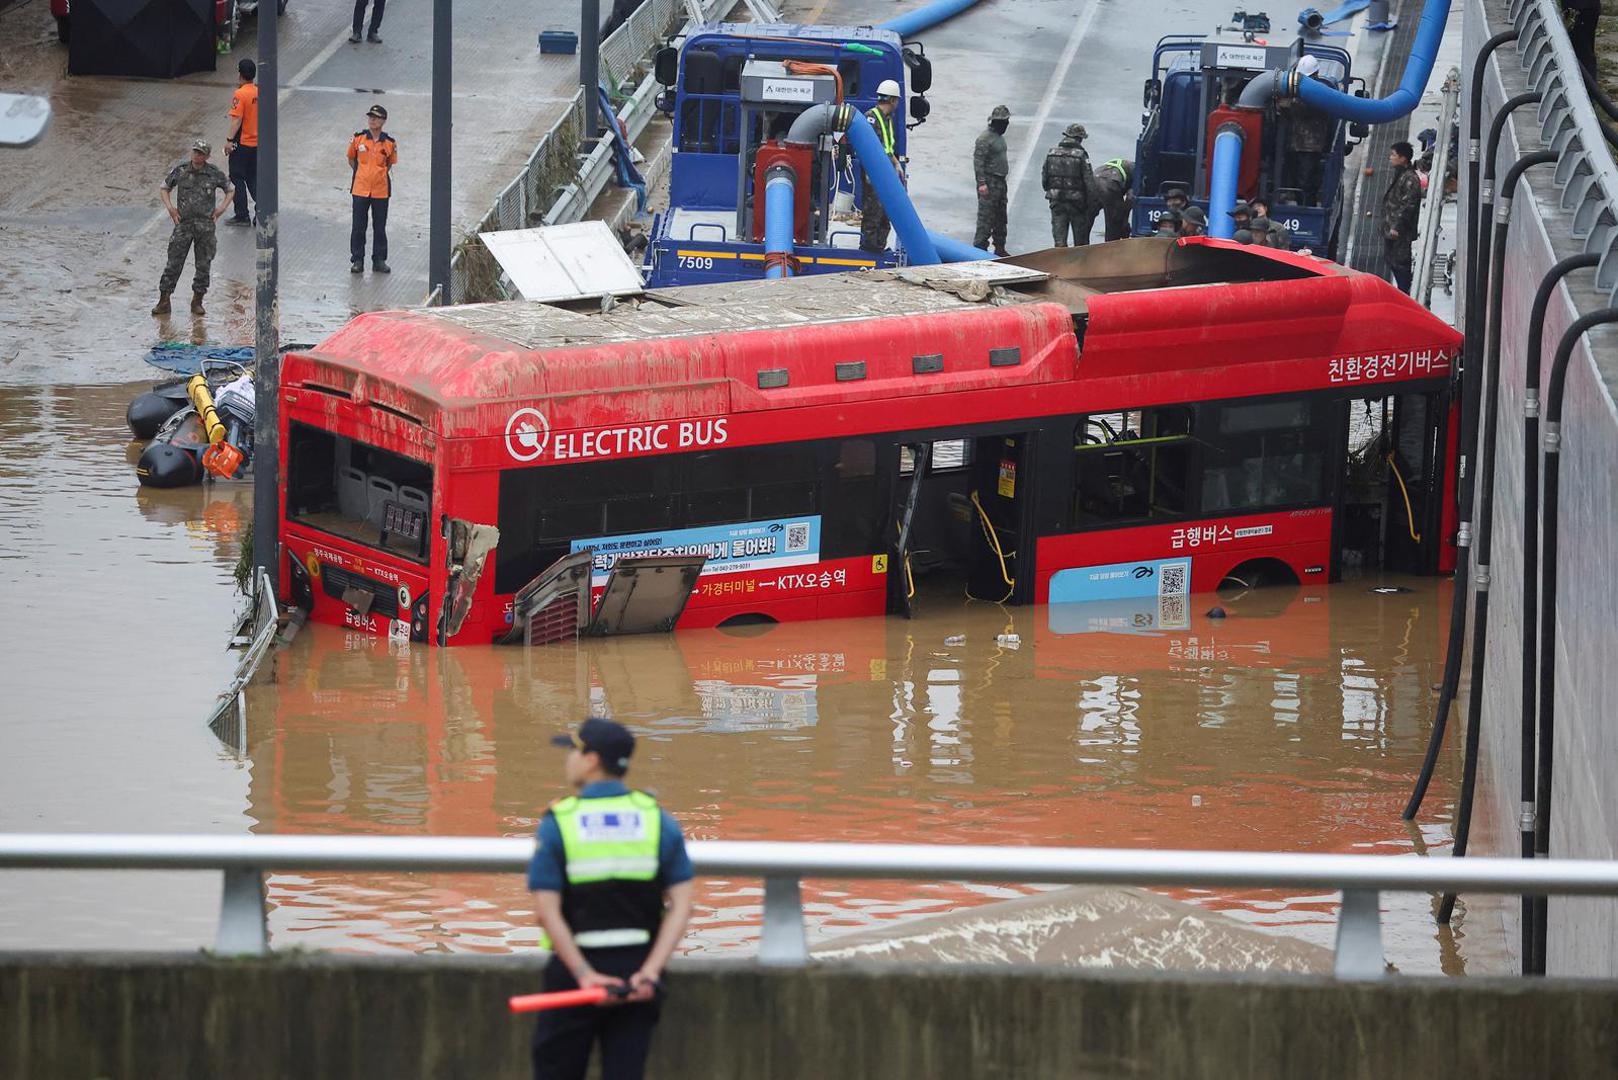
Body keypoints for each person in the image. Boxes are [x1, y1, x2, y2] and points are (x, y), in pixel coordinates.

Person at [528, 718, 694, 1080]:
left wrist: (585, 975)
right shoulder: (657, 820)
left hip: (575, 975)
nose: (568, 759)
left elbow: (546, 911)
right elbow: (682, 905)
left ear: (591, 759)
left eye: (573, 750)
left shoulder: (560, 822)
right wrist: (650, 973)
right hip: (637, 979)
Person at [153, 139, 232, 316]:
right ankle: (164, 301)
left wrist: (220, 210)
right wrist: (171, 209)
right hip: (184, 225)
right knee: (173, 264)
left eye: (201, 153)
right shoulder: (181, 171)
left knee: (203, 265)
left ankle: (197, 301)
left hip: (205, 227)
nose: (197, 155)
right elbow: (164, 188)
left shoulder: (213, 174)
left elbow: (230, 189)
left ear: (207, 156)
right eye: (195, 151)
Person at [348, 104, 398, 273]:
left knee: (380, 226)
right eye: (370, 117)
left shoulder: (389, 143)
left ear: (383, 121)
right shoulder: (358, 138)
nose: (372, 120)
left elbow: (390, 163)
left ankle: (379, 260)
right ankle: (357, 260)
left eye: (376, 118)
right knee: (358, 226)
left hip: (380, 190)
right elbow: (351, 159)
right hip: (360, 188)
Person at [858, 80, 903, 255]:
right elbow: (866, 147)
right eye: (897, 100)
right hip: (874, 173)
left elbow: (887, 147)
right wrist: (870, 173)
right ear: (892, 100)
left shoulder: (887, 119)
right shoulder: (871, 117)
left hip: (886, 173)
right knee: (873, 212)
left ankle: (879, 247)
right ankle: (868, 249)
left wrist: (896, 164)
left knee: (886, 213)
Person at [1042, 122, 1095, 247]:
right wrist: (1090, 204)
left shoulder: (1051, 153)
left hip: (1056, 201)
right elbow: (1089, 183)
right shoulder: (1081, 156)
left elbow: (1044, 180)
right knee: (1080, 243)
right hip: (1077, 204)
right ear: (1079, 138)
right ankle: (1079, 265)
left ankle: (1060, 265)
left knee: (1059, 242)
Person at [1381, 140, 1423, 294]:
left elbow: (1408, 206)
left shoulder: (1410, 179)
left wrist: (1397, 227)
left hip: (1400, 232)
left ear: (1403, 158)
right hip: (1391, 229)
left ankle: (1404, 293)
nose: (1390, 158)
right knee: (1391, 260)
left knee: (1400, 262)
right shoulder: (1400, 175)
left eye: (1393, 155)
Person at [224, 58, 259, 226]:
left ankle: (241, 214)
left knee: (236, 176)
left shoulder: (240, 94)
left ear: (240, 75)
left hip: (242, 142)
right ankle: (262, 210)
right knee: (252, 176)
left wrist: (229, 141)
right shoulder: (259, 91)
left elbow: (236, 121)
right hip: (257, 142)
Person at [973, 104, 1011, 256]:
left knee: (1001, 218)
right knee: (986, 219)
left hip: (1000, 182)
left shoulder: (999, 138)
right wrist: (982, 184)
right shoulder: (984, 139)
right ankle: (978, 250)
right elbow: (978, 162)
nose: (1006, 124)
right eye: (1004, 121)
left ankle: (1000, 247)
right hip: (989, 182)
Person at [1090, 157, 1134, 241]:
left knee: (1088, 218)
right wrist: (1125, 219)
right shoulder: (1137, 172)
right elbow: (1130, 197)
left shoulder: (1127, 165)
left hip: (1095, 178)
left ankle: (1082, 246)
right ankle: (1111, 247)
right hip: (1111, 182)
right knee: (1115, 221)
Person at [1563, 0, 1601, 74]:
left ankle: (1588, 81)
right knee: (1584, 48)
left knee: (1582, 51)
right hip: (1585, 8)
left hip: (1580, 9)